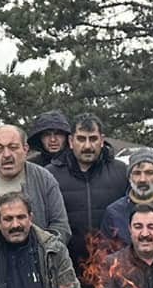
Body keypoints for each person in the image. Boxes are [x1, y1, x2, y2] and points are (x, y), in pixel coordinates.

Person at [0, 125, 71, 251]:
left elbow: (61, 227)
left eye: (13, 147)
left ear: (25, 149)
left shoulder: (44, 179)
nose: (6, 154)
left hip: (40, 263)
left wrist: (40, 256)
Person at [53, 113, 130, 278]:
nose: (87, 145)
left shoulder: (121, 171)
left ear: (102, 140)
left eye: (93, 139)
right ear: (71, 141)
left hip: (113, 267)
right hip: (67, 267)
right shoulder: (51, 175)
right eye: (81, 139)